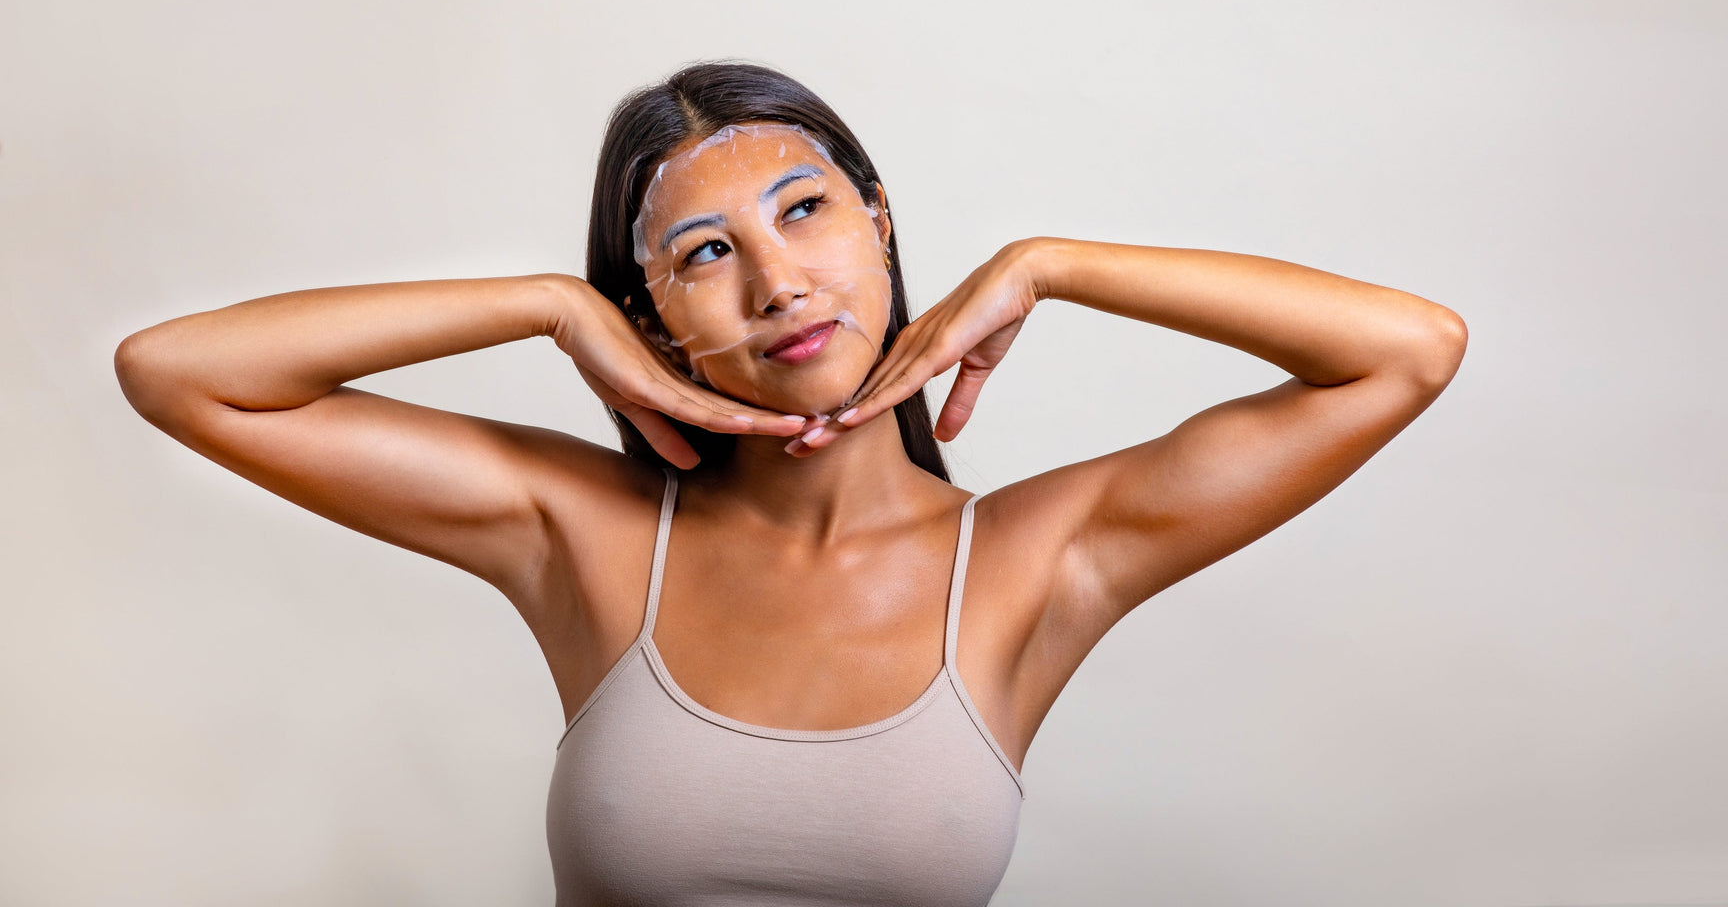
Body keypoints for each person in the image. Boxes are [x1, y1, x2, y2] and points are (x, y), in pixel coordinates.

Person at [114, 61, 1467, 905]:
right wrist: (541, 305)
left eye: (807, 211)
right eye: (703, 253)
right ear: (647, 321)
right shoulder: (577, 536)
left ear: (878, 220)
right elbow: (181, 371)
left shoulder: (1038, 559)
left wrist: (1052, 262)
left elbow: (1406, 355)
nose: (779, 282)